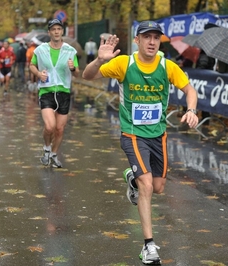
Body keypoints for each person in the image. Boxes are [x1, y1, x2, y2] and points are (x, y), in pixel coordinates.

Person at [82, 20, 198, 265]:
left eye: (156, 37)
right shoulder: (124, 63)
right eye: (147, 37)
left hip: (158, 134)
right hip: (133, 133)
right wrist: (99, 60)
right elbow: (87, 76)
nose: (152, 42)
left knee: (158, 187)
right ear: (137, 40)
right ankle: (149, 246)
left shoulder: (168, 66)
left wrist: (192, 109)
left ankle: (132, 179)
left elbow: (190, 90)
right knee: (147, 186)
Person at [29, 18, 79, 168]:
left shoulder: (70, 51)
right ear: (49, 32)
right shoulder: (41, 49)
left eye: (59, 29)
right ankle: (46, 148)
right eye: (53, 29)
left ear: (62, 31)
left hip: (63, 92)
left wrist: (72, 68)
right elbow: (31, 65)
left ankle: (54, 154)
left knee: (59, 129)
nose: (56, 32)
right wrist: (38, 74)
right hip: (47, 91)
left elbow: (77, 73)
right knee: (50, 126)